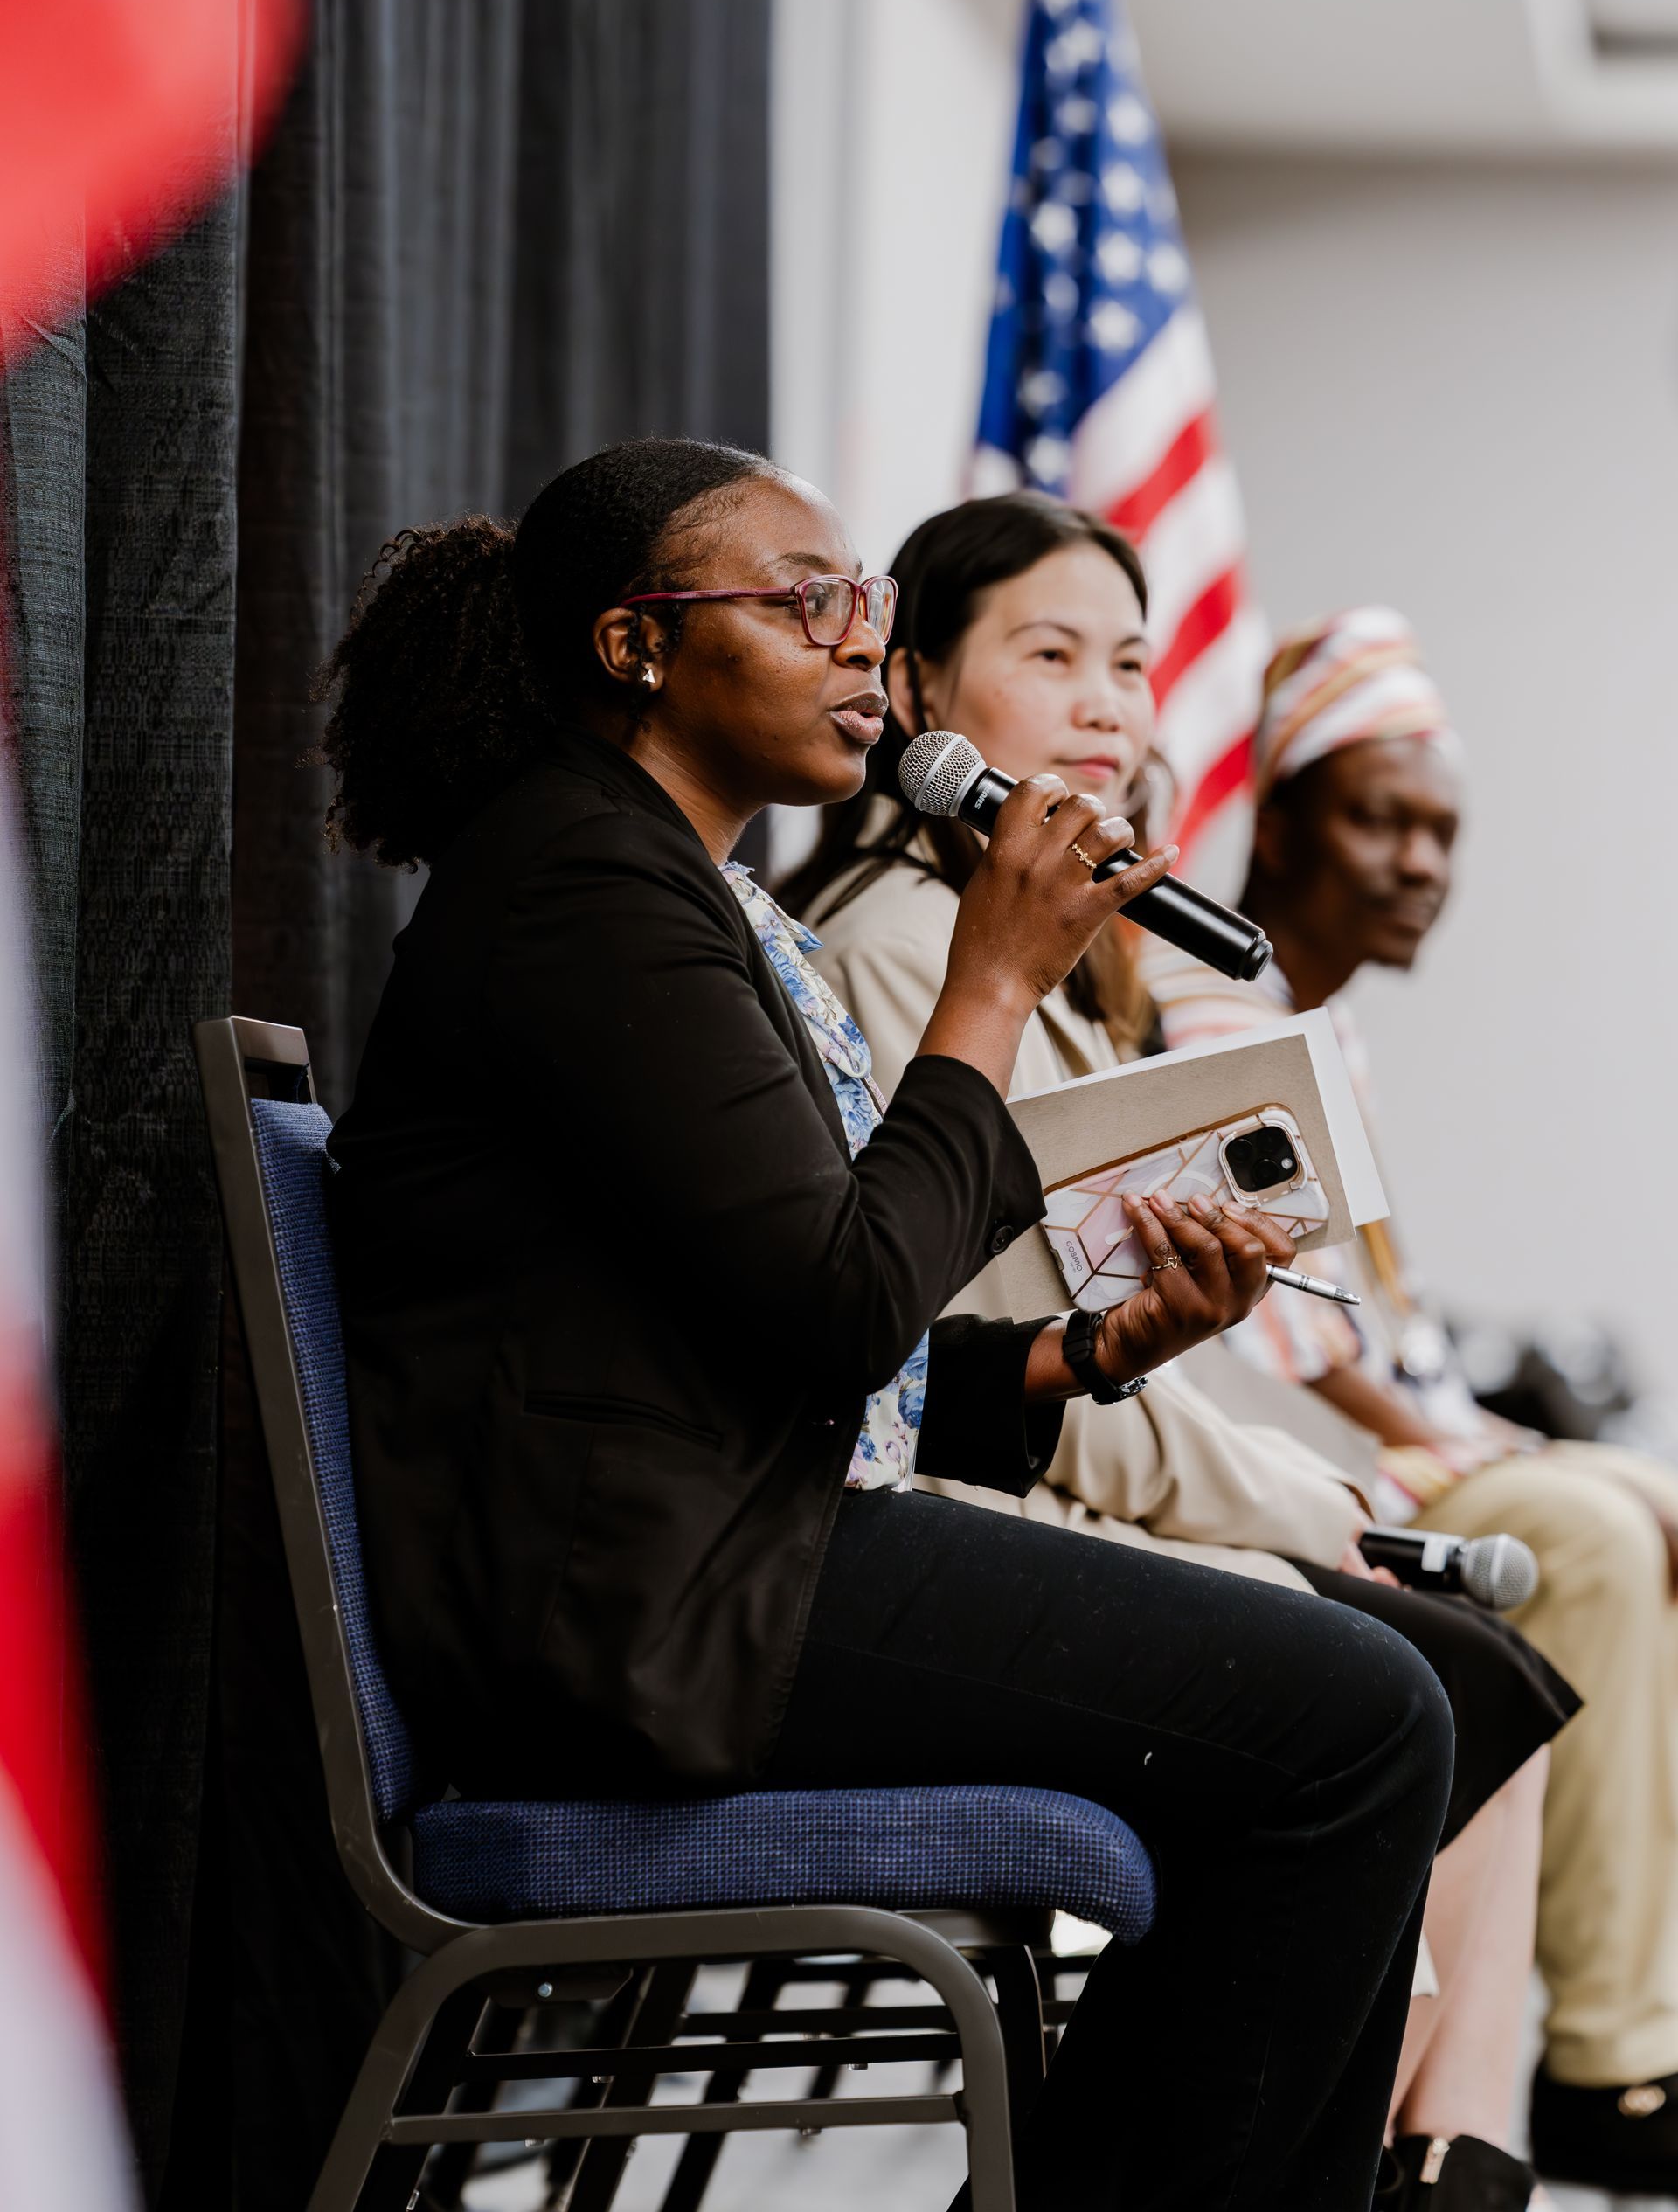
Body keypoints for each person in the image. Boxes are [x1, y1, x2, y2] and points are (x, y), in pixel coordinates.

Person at [319, 440, 1454, 2212]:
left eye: (866, 605)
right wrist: (993, 983)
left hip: (716, 1554)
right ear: (635, 646)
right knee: (1359, 1720)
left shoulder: (669, 888)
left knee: (1356, 1709)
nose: (862, 646)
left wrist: (1097, 1350)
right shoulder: (578, 890)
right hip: (647, 1618)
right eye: (802, 606)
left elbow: (792, 1322)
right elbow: (847, 1302)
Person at [787, 497, 1574, 2211]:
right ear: (911, 687)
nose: (1107, 710)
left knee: (1483, 1674)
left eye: (1132, 666)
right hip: (952, 1520)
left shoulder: (1061, 961)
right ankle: (1392, 2159)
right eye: (1051, 656)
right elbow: (986, 1369)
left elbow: (1118, 1349)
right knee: (1403, 1688)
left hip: (1076, 1473)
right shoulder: (914, 947)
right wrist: (1310, 1500)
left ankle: (1452, 2155)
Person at [1148, 603, 1678, 2203]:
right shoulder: (1207, 1011)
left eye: (1441, 831)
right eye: (1380, 819)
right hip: (1290, 1473)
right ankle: (1601, 2060)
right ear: (1284, 820)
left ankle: (1615, 2031)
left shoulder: (1324, 1028)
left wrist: (1492, 1430)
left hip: (1383, 1445)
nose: (1419, 862)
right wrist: (1454, 1447)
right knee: (1582, 1533)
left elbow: (1388, 1322)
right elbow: (1266, 1339)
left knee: (1627, 1502)